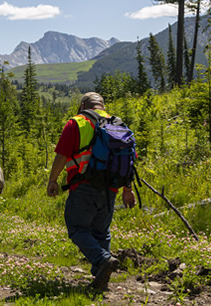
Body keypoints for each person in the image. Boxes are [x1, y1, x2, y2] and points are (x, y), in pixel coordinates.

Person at [47, 92, 136, 291]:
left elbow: (62, 154)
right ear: (102, 106)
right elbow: (129, 159)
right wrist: (127, 190)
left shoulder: (77, 123)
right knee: (102, 232)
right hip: (110, 189)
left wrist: (53, 180)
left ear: (82, 105)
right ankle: (100, 277)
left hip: (83, 186)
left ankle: (102, 259)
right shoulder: (118, 124)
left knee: (77, 228)